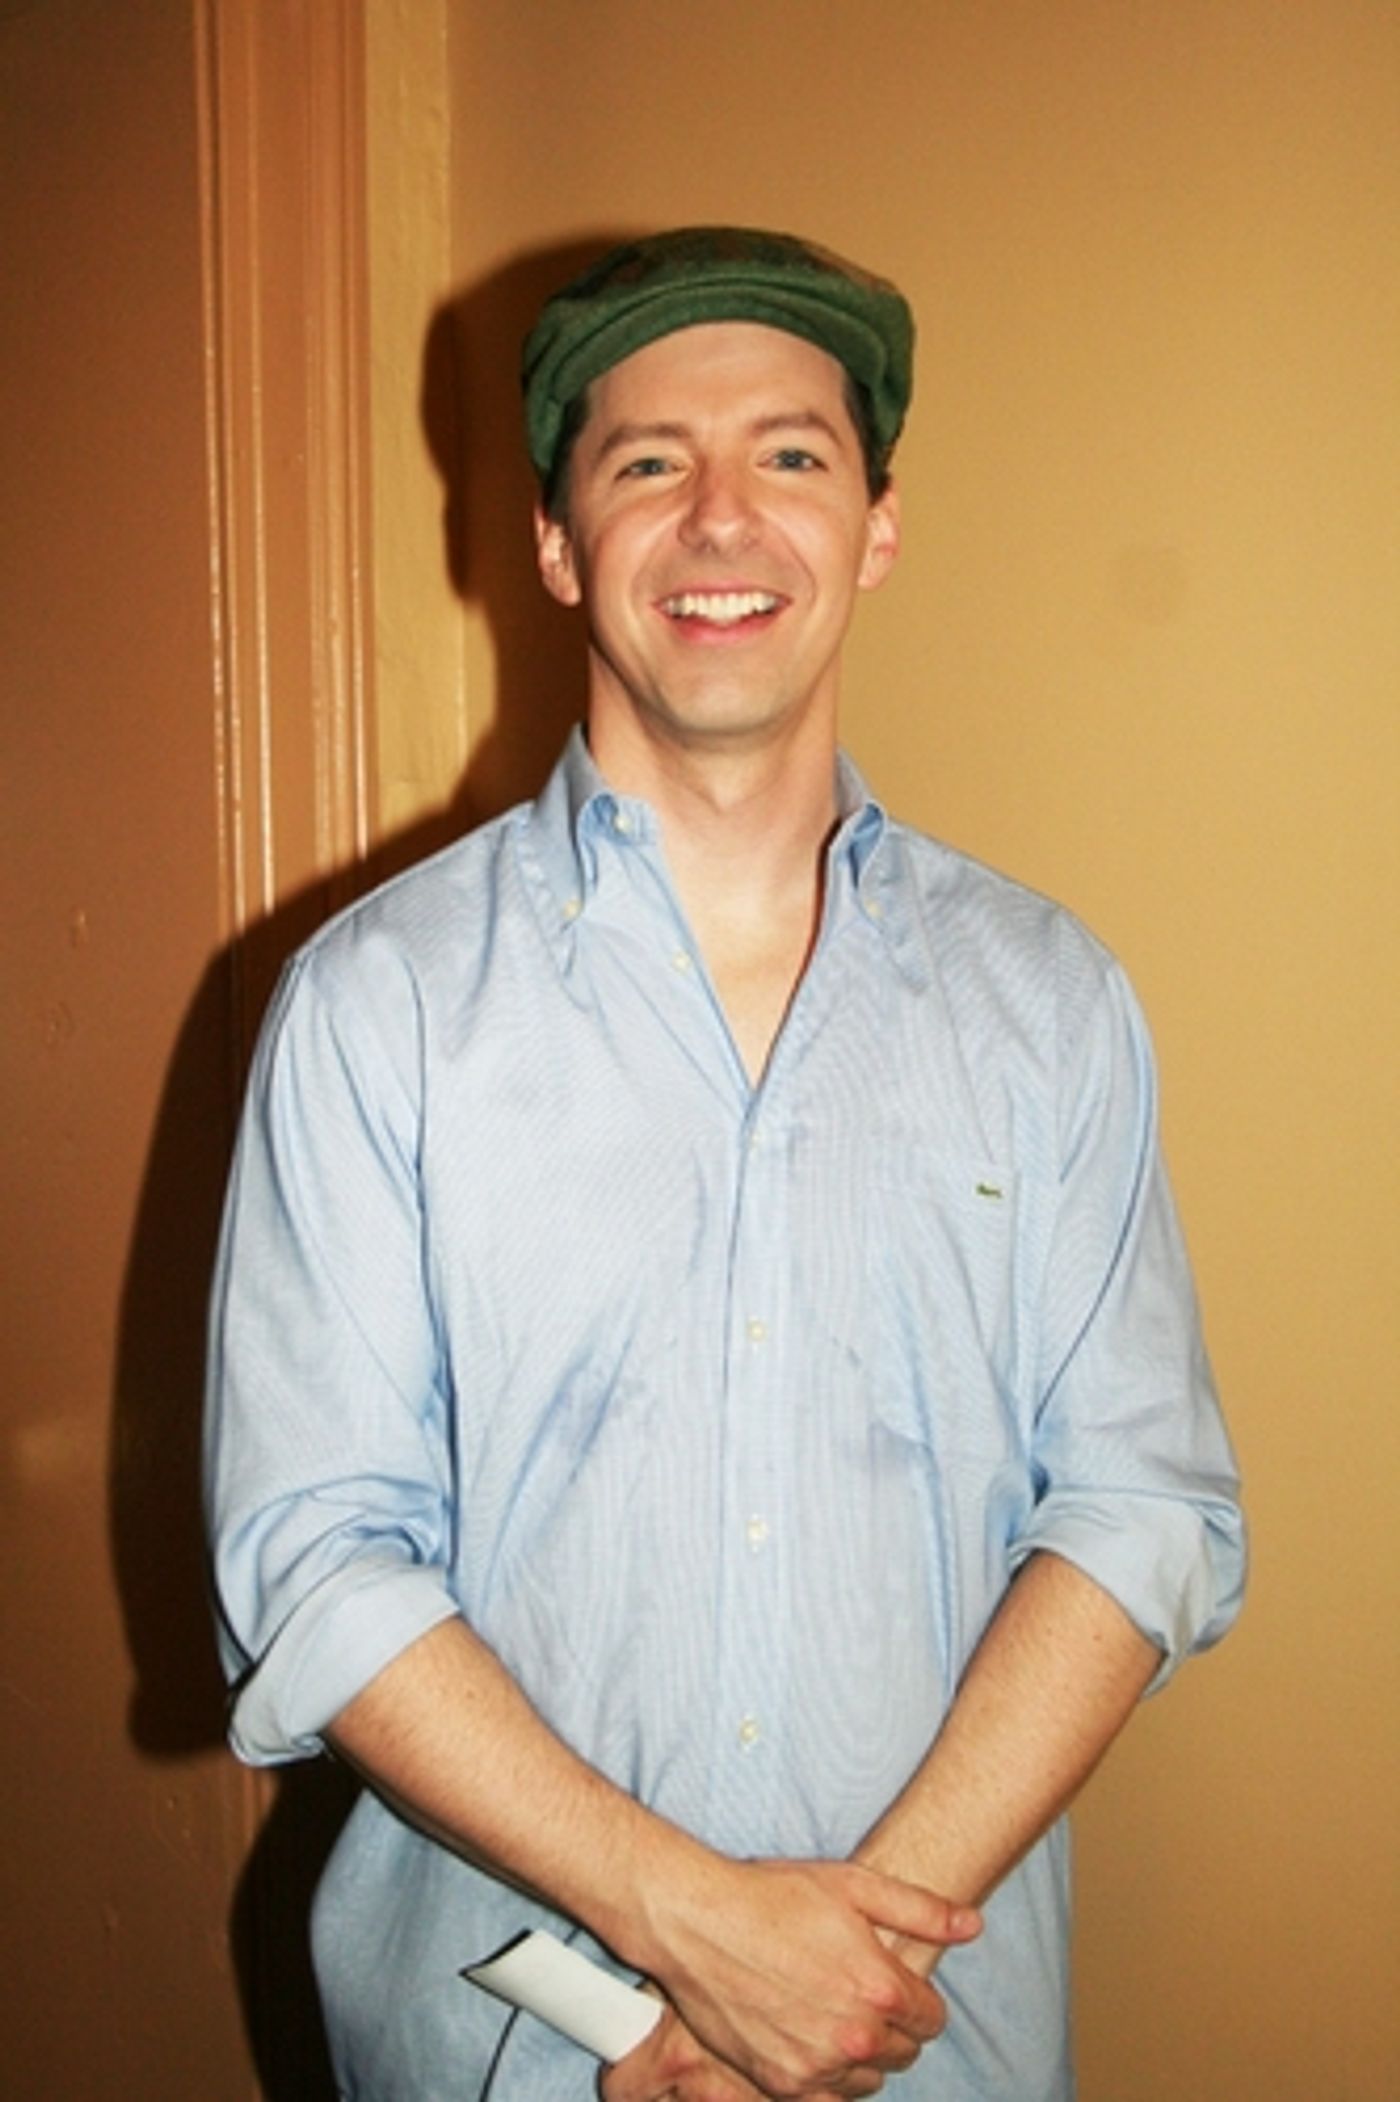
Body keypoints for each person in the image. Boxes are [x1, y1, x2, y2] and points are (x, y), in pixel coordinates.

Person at [205, 227, 1246, 2101]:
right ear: (556, 542)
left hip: (918, 2046)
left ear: (876, 524)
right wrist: (699, 1927)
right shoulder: (377, 1007)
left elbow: (1141, 1506)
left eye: (789, 453)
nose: (720, 517)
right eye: (645, 461)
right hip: (502, 2051)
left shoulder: (1052, 1003)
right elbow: (315, 1558)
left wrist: (833, 1970)